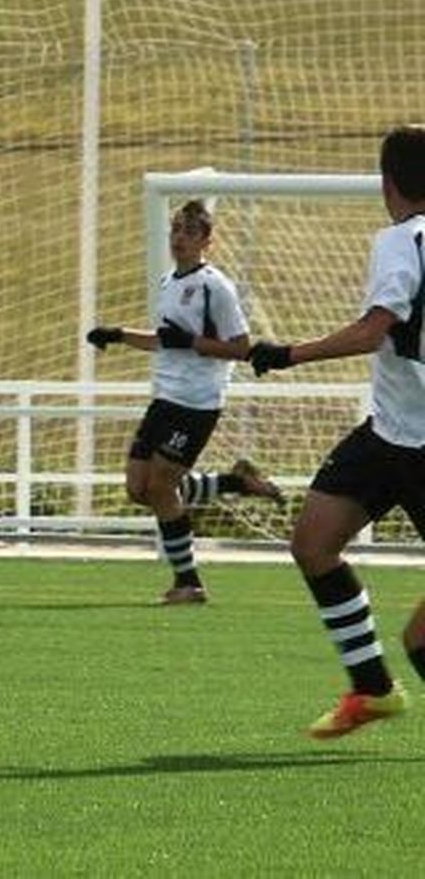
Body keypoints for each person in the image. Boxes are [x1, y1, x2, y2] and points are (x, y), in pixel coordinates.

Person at [245, 125, 425, 738]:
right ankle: (373, 690)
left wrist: (287, 353)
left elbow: (372, 331)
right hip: (389, 436)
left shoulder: (401, 241)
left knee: (420, 639)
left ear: (387, 183)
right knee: (313, 542)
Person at [86, 199, 261, 605]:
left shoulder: (215, 287)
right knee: (138, 488)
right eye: (175, 230)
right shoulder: (169, 283)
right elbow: (166, 340)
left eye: (188, 232)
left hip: (197, 403)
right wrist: (118, 334)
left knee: (162, 484)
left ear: (206, 241)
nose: (178, 238)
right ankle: (235, 482)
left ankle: (189, 582)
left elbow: (241, 348)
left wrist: (194, 343)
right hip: (164, 398)